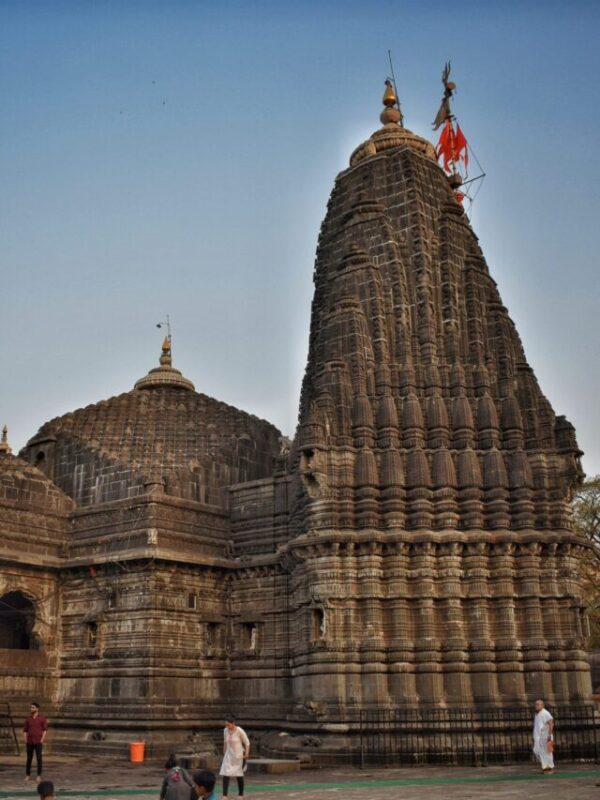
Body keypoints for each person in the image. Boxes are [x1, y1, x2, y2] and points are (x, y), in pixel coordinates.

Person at [219, 715, 249, 799]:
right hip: (229, 755)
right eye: (226, 725)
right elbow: (225, 742)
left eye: (228, 725)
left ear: (233, 723)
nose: (227, 726)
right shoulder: (225, 730)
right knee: (226, 774)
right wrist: (224, 751)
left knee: (239, 774)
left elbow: (247, 742)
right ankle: (225, 795)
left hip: (239, 755)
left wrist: (246, 754)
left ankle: (240, 794)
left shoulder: (239, 730)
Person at [24, 702, 48, 782]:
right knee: (29, 759)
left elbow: (45, 730)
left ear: (37, 709)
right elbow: (25, 730)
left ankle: (38, 775)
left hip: (38, 741)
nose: (31, 709)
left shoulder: (42, 718)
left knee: (39, 758)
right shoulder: (28, 719)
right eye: (31, 707)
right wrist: (25, 740)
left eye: (33, 707)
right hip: (29, 742)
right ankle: (27, 775)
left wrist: (42, 740)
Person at [533, 698, 554, 773]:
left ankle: (550, 768)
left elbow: (551, 723)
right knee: (540, 752)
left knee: (547, 752)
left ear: (542, 705)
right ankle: (545, 767)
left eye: (538, 704)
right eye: (535, 704)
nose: (536, 706)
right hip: (539, 736)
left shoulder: (545, 713)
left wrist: (549, 735)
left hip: (546, 735)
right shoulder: (537, 714)